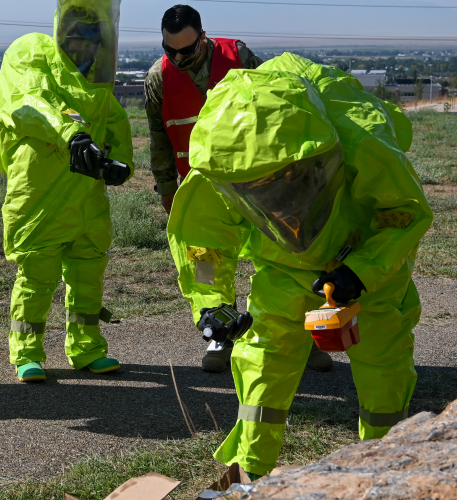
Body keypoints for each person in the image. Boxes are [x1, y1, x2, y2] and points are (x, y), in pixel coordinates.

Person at [168, 52, 430, 478]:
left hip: (363, 256)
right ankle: (252, 476)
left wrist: (360, 270)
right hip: (282, 267)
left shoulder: (363, 139)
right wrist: (211, 302)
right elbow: (203, 247)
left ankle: (386, 471)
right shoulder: (223, 160)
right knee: (264, 364)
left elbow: (402, 215)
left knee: (382, 362)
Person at [146, 5, 332, 373]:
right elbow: (158, 139)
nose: (179, 58)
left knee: (283, 258)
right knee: (205, 262)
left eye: (187, 49)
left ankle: (299, 339)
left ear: (203, 36)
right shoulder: (158, 78)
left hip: (261, 182)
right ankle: (219, 333)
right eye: (171, 51)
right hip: (204, 188)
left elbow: (281, 103)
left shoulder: (239, 56)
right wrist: (168, 189)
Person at [0, 0, 133, 383]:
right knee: (37, 273)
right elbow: (27, 104)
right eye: (76, 33)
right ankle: (27, 353)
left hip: (85, 190)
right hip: (41, 190)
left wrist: (121, 160)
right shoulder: (31, 53)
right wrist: (72, 135)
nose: (82, 42)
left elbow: (111, 115)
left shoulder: (96, 76)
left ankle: (87, 348)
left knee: (88, 269)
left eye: (91, 34)